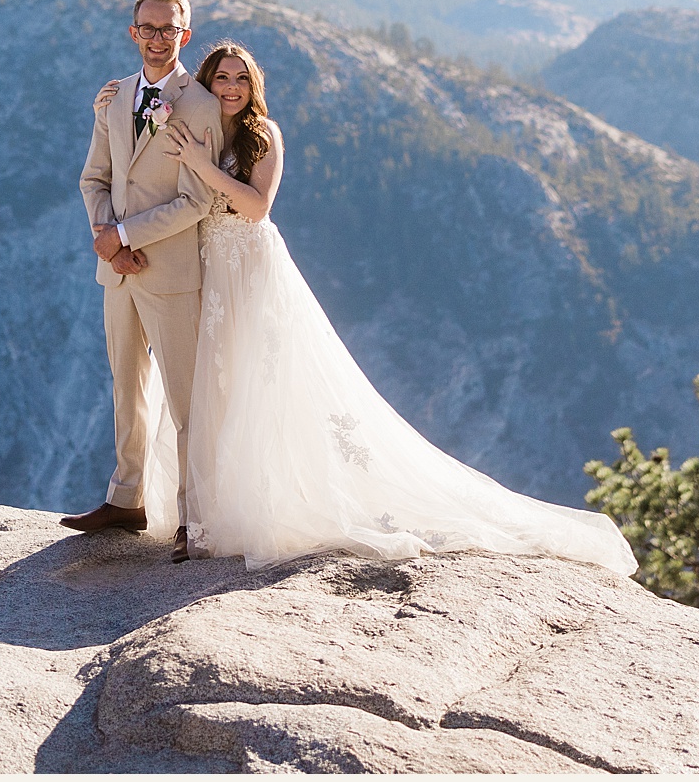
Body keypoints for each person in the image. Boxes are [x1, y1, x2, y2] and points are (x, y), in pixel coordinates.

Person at [91, 34, 636, 576]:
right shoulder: (202, 124)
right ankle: (207, 509)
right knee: (213, 392)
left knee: (254, 384)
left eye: (241, 79)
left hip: (247, 269)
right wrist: (117, 110)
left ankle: (225, 516)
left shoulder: (263, 136)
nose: (231, 88)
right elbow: (147, 172)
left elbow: (256, 208)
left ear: (254, 87)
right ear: (207, 84)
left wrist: (200, 166)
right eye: (222, 78)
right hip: (202, 267)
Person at [60, 0, 222, 547]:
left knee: (185, 397)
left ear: (186, 34)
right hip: (118, 270)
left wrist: (126, 234)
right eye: (147, 29)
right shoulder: (113, 97)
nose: (157, 39)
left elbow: (196, 200)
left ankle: (194, 517)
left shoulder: (200, 104)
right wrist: (108, 240)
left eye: (168, 29)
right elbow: (93, 178)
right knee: (125, 384)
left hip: (171, 268)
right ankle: (126, 501)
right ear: (133, 33)